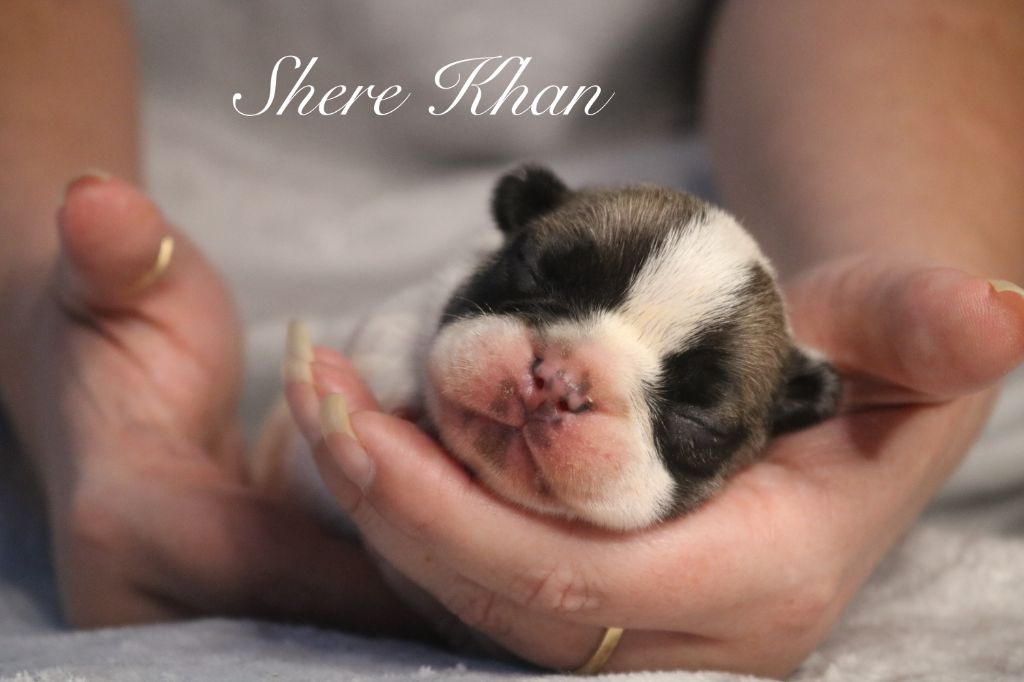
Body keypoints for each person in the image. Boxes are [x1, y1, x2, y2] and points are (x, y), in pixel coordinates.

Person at [1, 0, 1022, 676]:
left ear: (794, 411)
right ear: (512, 226)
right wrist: (46, 324)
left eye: (691, 411)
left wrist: (920, 330)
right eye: (536, 288)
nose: (559, 383)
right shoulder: (407, 337)